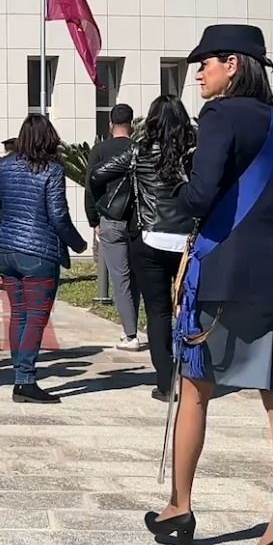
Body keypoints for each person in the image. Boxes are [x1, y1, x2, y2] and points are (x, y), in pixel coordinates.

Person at [143, 24, 273, 545]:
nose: (198, 72)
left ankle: (179, 508)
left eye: (206, 62)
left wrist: (179, 184)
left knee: (195, 389)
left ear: (233, 64)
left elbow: (200, 196)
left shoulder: (218, 118)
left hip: (222, 272)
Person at [91, 96, 197, 402]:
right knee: (187, 308)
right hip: (187, 242)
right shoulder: (193, 153)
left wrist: (125, 198)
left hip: (148, 237)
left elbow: (98, 175)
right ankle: (193, 377)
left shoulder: (138, 151)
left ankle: (165, 384)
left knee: (158, 311)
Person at [0, 114, 88, 404]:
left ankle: (21, 374)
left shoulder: (4, 166)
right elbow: (58, 215)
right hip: (39, 252)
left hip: (7, 251)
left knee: (19, 313)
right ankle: (25, 379)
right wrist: (77, 243)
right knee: (35, 316)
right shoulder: (52, 170)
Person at [86, 104, 144, 353]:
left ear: (110, 123)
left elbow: (91, 187)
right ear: (132, 123)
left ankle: (130, 333)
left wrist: (93, 220)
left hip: (109, 221)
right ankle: (134, 326)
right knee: (136, 277)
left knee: (119, 278)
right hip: (138, 222)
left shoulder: (100, 150)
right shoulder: (138, 150)